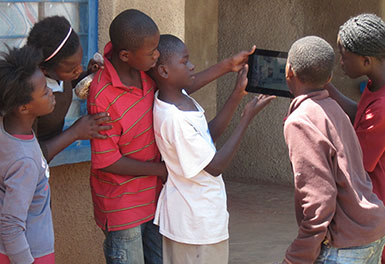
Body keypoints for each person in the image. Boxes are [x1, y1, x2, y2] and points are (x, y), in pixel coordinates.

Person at [87, 9, 256, 264]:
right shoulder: (103, 94)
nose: (156, 56)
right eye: (152, 52)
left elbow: (180, 84)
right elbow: (107, 161)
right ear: (125, 55)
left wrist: (227, 66)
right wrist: (161, 170)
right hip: (123, 205)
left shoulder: (143, 68)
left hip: (156, 200)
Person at [149, 34, 274, 264]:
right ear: (164, 72)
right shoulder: (174, 119)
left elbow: (208, 136)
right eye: (185, 61)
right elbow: (215, 166)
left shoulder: (179, 99)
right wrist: (246, 118)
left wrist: (237, 95)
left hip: (197, 218)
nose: (192, 66)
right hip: (195, 225)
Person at [282, 35, 385, 264]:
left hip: (345, 245)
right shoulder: (336, 110)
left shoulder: (299, 121)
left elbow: (320, 199)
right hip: (372, 229)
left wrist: (298, 255)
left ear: (289, 71)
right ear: (329, 78)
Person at [325, 14, 385, 263]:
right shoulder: (376, 85)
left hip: (377, 205)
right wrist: (324, 86)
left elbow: (358, 160)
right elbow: (360, 114)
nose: (341, 63)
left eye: (344, 56)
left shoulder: (382, 107)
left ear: (366, 60)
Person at [26, 15, 111, 162]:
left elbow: (66, 82)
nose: (78, 70)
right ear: (44, 69)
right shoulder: (28, 97)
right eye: (72, 69)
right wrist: (76, 132)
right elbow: (31, 157)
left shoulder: (57, 75)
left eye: (80, 63)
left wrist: (87, 75)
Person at [0, 46, 56, 264]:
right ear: (23, 108)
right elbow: (11, 226)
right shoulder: (25, 161)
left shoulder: (5, 129)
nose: (51, 92)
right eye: (44, 91)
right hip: (30, 253)